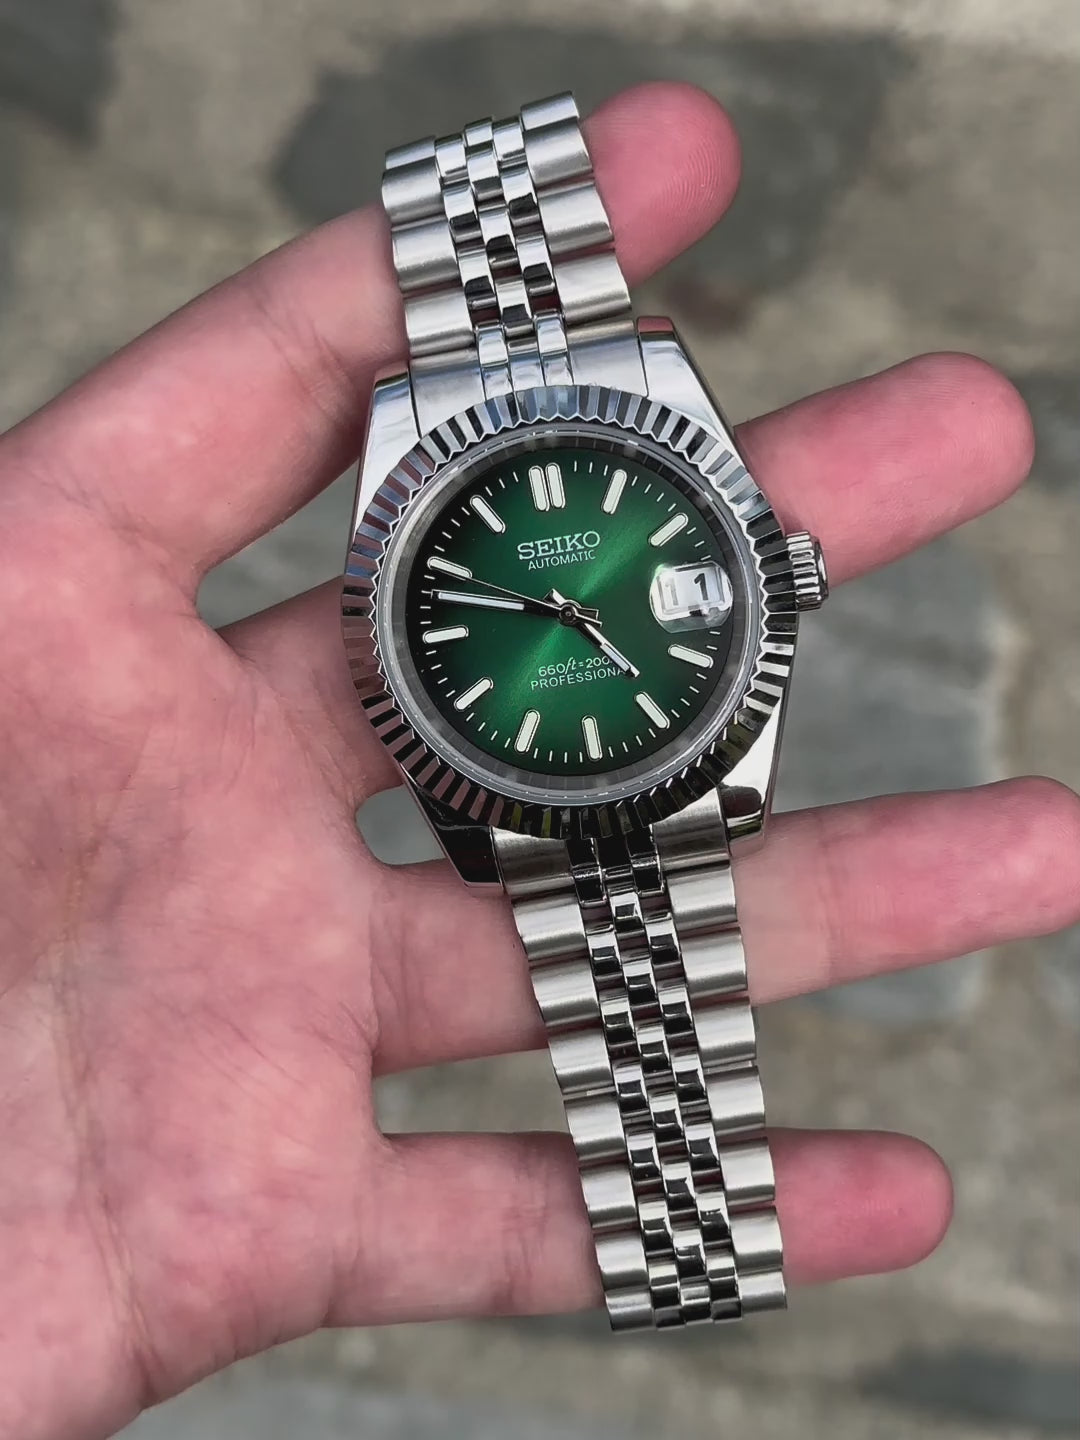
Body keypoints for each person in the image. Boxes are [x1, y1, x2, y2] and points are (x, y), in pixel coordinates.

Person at [0, 81, 1076, 1440]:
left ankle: (685, 1236)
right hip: (573, 749)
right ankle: (684, 1234)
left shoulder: (629, 563)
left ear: (776, 574)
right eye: (544, 606)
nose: (569, 612)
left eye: (579, 605)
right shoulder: (445, 601)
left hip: (600, 744)